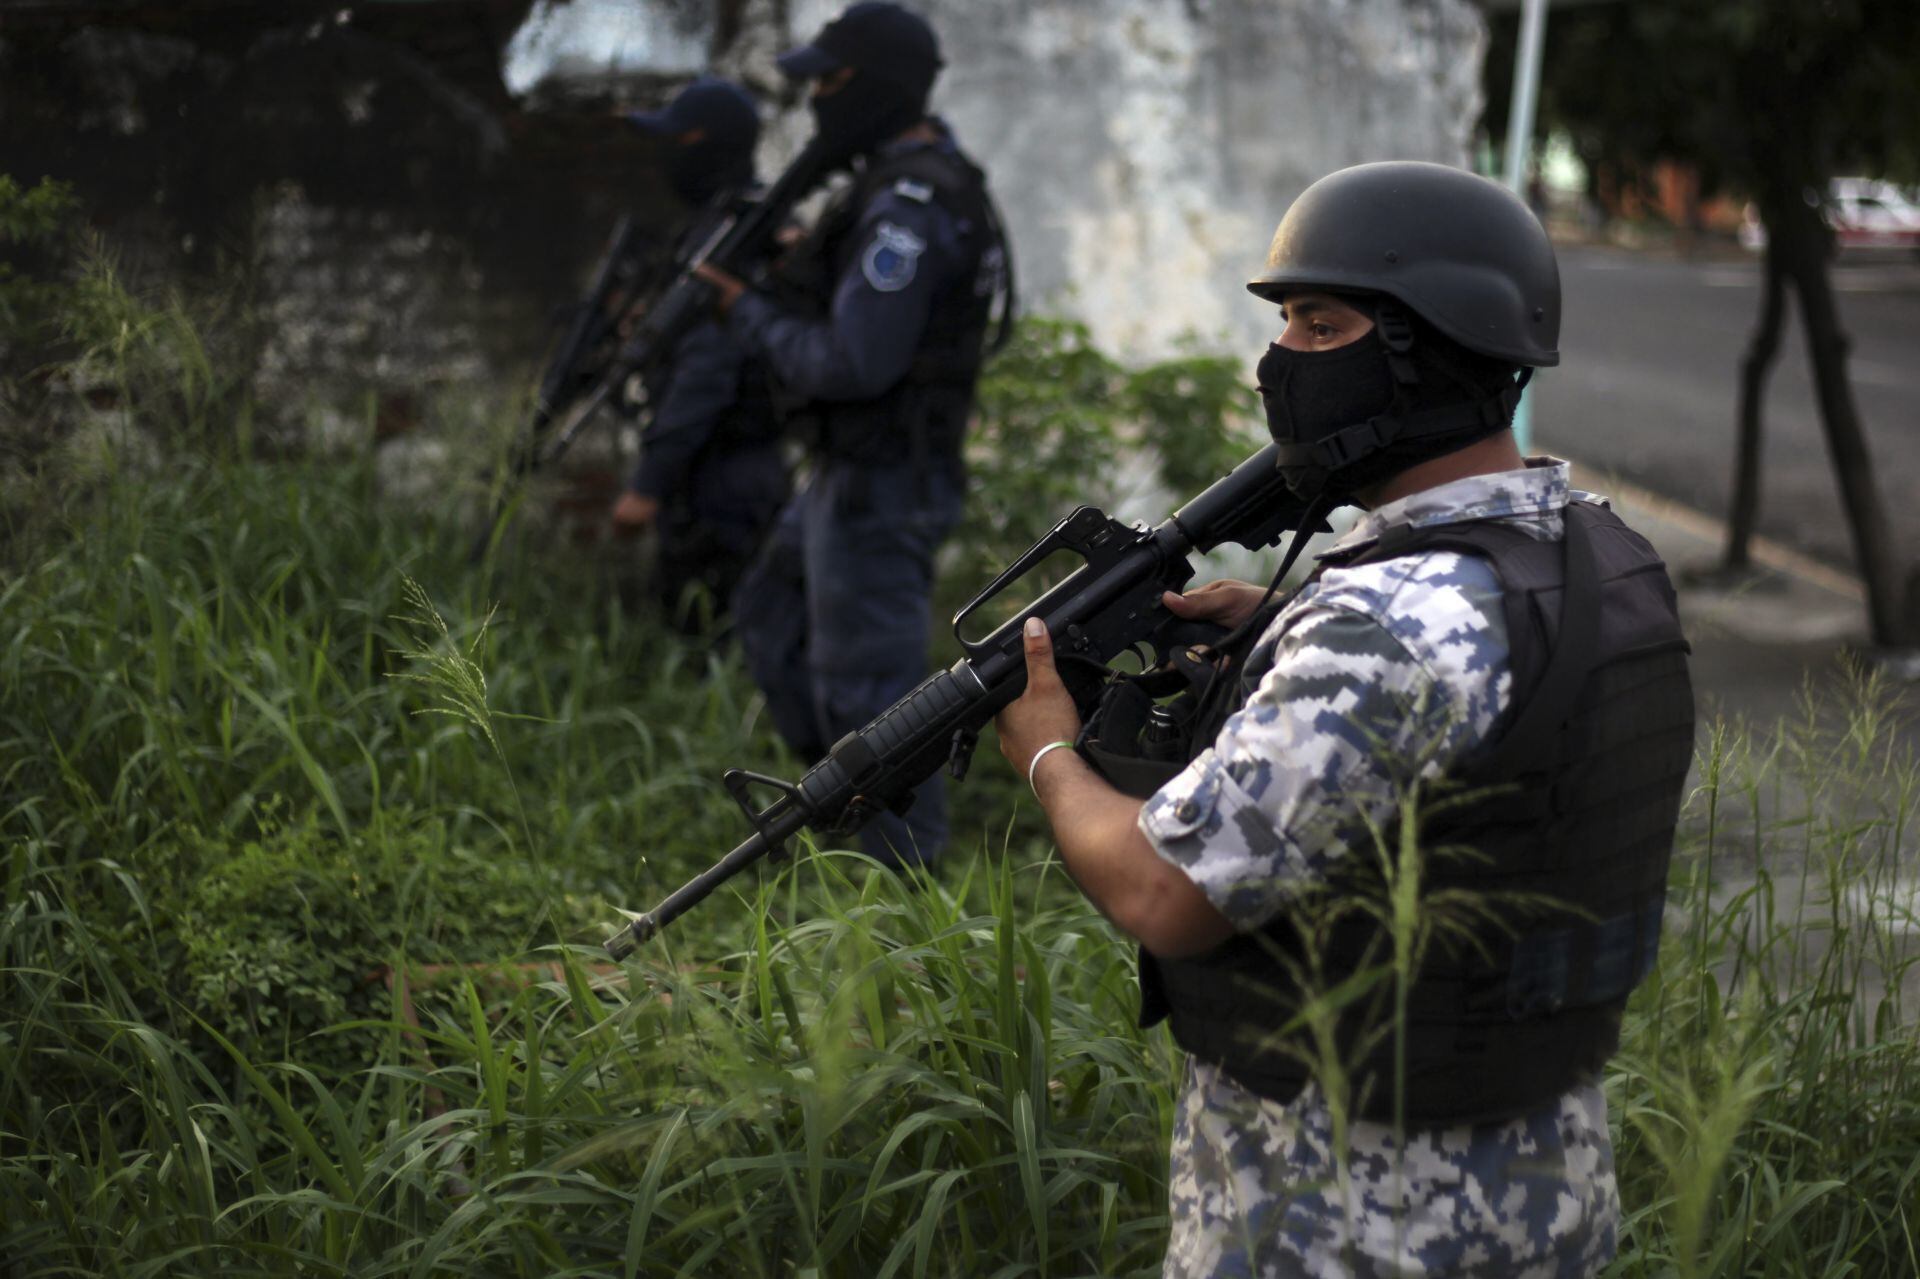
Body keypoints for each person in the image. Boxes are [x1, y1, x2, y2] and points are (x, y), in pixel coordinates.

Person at [994, 162, 1695, 1276]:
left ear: (1431, 349)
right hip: (1545, 1205)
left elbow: (1164, 894)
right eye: (1285, 324)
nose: (1280, 362)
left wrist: (1046, 752)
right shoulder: (1600, 553)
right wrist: (1283, 637)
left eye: (1321, 326)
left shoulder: (1387, 626)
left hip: (1343, 1227)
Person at [694, 2, 1009, 867]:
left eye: (829, 81)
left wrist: (745, 309)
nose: (816, 100)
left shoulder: (908, 204)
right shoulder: (897, 184)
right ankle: (837, 809)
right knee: (769, 613)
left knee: (873, 695)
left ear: (873, 86)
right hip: (852, 473)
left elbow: (853, 363)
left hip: (882, 481)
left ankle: (908, 889)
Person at [611, 76, 790, 629]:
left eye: (679, 138)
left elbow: (708, 370)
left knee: (709, 631)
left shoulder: (735, 237)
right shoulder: (731, 224)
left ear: (710, 145)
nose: (667, 154)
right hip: (727, 468)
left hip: (726, 476)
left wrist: (648, 483)